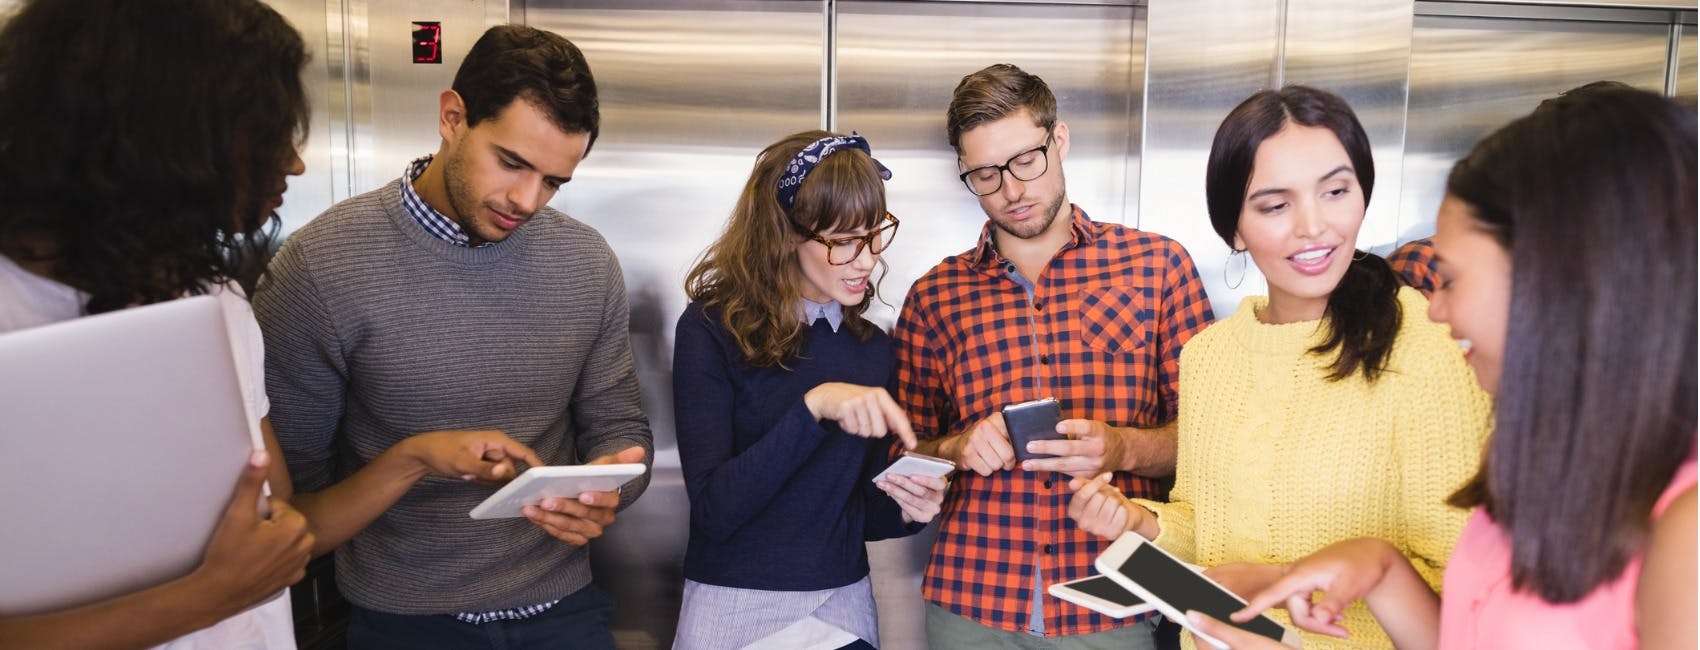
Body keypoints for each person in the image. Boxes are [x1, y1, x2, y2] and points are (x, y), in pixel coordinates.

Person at [1198, 85, 1697, 650]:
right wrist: (1380, 567)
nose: (1434, 307)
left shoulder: (1685, 525)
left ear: (1558, 279)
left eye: (1453, 279)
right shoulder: (1553, 460)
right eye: (1276, 203)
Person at [252, 25, 652, 649]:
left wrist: (609, 484)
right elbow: (292, 501)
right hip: (401, 621)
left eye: (553, 182)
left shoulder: (586, 262)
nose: (527, 200)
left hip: (564, 611)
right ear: (453, 117)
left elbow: (619, 426)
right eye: (512, 163)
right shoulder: (320, 268)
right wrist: (412, 460)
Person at [1066, 86, 1492, 649]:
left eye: (1336, 191)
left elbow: (1464, 591)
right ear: (1235, 229)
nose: (1313, 226)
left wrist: (1289, 597)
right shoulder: (1209, 356)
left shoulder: (1427, 349)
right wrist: (1140, 523)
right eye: (1275, 205)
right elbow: (1211, 528)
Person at [0, 0, 314, 647]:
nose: (293, 163)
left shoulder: (217, 297)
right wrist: (199, 601)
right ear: (168, 141)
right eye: (267, 134)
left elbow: (272, 509)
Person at [894, 63, 1214, 647]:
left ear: (1058, 139)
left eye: (1024, 161)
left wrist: (1122, 447)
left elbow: (1212, 444)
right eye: (985, 175)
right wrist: (955, 450)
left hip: (1113, 600)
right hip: (972, 602)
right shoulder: (933, 297)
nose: (1011, 191)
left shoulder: (1158, 267)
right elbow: (902, 455)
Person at [670, 130, 948, 650]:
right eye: (842, 241)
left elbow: (855, 510)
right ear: (784, 235)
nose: (865, 260)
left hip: (843, 609)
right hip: (731, 606)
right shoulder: (711, 329)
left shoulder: (873, 349)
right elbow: (715, 510)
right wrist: (814, 407)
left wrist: (909, 506)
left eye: (874, 234)